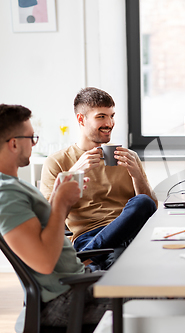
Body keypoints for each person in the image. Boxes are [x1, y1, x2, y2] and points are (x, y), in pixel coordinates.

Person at [0, 104, 111, 328]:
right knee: (166, 294)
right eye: (31, 138)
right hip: (66, 299)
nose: (34, 143)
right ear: (14, 143)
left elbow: (41, 231)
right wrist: (60, 203)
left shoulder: (17, 186)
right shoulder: (7, 196)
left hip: (79, 283)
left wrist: (56, 200)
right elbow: (43, 263)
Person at [40, 87, 158, 270]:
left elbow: (151, 208)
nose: (109, 123)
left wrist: (136, 174)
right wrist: (74, 172)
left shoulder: (127, 157)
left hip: (128, 230)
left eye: (112, 115)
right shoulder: (57, 162)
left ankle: (86, 258)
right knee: (119, 258)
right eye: (101, 116)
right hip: (88, 235)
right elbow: (49, 218)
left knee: (142, 202)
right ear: (81, 119)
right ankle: (92, 258)